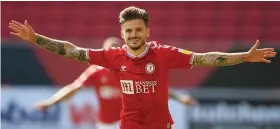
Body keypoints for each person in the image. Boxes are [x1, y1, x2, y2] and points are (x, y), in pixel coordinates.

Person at [9, 6, 276, 129]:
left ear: (147, 30)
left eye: (138, 29)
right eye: (128, 31)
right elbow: (72, 51)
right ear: (122, 33)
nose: (133, 34)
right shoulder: (111, 59)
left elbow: (204, 57)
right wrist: (37, 39)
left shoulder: (164, 54)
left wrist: (242, 56)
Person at [34, 36, 196, 129]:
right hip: (105, 125)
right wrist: (51, 102)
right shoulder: (96, 72)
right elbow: (74, 88)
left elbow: (156, 88)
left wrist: (180, 98)